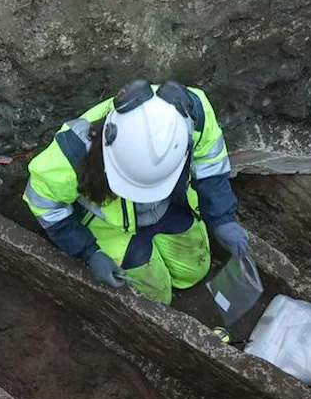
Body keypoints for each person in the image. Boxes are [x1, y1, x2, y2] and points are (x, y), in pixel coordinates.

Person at [23, 79, 248, 305]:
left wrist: (222, 218)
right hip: (112, 227)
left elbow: (211, 161)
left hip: (170, 205)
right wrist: (89, 252)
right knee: (157, 297)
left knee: (194, 271)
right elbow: (45, 205)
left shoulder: (191, 115)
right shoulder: (70, 156)